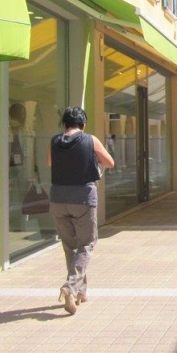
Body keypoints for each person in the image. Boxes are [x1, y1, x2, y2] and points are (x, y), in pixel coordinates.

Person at [47, 106, 114, 315]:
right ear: (83, 124)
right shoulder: (90, 140)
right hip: (83, 198)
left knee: (69, 246)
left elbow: (50, 163)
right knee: (86, 243)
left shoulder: (54, 141)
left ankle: (80, 292)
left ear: (64, 124)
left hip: (58, 198)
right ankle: (70, 286)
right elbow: (110, 162)